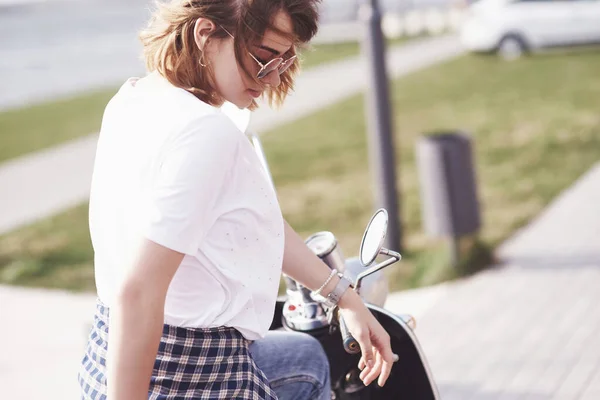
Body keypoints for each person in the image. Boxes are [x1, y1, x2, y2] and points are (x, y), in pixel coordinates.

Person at [78, 0, 395, 398]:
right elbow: (138, 292)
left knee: (305, 357)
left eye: (284, 60)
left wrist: (343, 295)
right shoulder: (206, 133)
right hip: (190, 373)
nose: (273, 78)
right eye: (264, 57)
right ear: (205, 33)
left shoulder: (131, 99)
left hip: (108, 356)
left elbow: (253, 224)